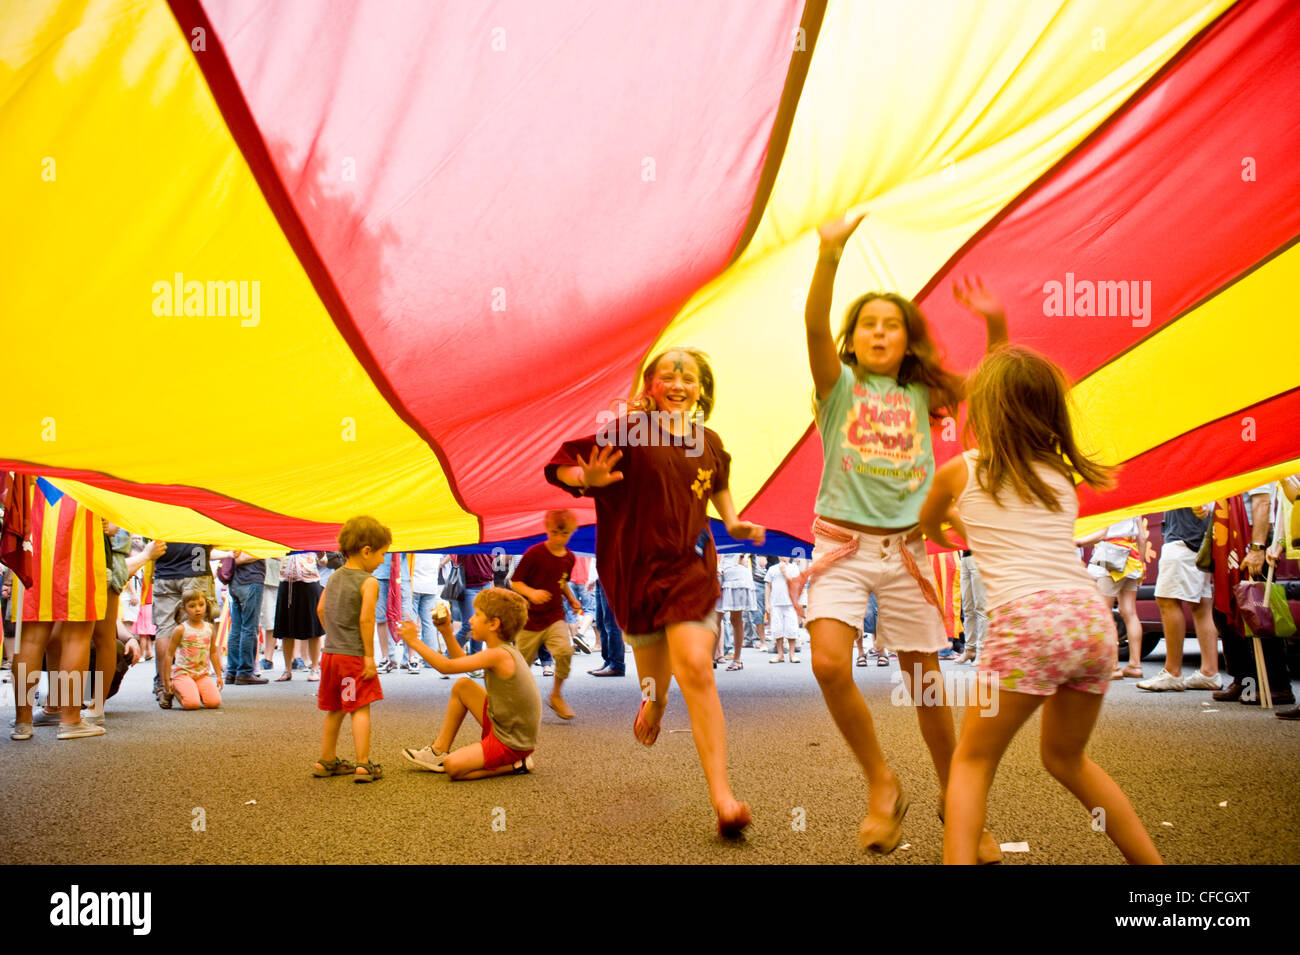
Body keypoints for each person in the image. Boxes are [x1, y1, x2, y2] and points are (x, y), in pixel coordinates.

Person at [800, 212, 1007, 856]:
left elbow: (991, 382)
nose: (880, 331)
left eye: (892, 324)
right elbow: (812, 325)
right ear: (853, 342)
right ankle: (881, 782)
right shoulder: (838, 388)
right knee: (830, 662)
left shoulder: (923, 394)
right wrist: (830, 254)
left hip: (906, 552)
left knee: (925, 685)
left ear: (908, 340)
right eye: (869, 324)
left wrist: (995, 325)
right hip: (841, 547)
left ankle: (957, 804)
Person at [920, 346, 1162, 865]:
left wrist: (953, 527)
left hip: (1027, 624)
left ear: (984, 411)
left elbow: (926, 525)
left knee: (971, 761)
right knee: (1067, 757)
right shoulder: (1058, 474)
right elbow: (1015, 527)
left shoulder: (958, 472)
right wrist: (970, 530)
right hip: (1089, 621)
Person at [545, 346, 765, 836]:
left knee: (694, 667)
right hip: (636, 572)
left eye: (690, 378)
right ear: (651, 384)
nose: (679, 384)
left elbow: (720, 480)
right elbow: (562, 464)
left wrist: (733, 521)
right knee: (655, 680)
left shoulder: (707, 441)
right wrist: (588, 479)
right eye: (668, 375)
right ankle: (656, 703)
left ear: (702, 389)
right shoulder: (629, 432)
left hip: (690, 566)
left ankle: (723, 799)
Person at [399, 588, 540, 778]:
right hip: (504, 724)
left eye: (477, 615)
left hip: (512, 742)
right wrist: (447, 632)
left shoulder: (498, 655)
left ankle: (517, 764)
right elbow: (460, 663)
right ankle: (438, 751)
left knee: (453, 767)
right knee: (463, 685)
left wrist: (413, 641)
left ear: (494, 624)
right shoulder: (500, 651)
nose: (471, 620)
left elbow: (447, 666)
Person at [313, 515, 391, 782]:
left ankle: (326, 761)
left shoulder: (333, 576)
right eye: (382, 554)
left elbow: (321, 609)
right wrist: (369, 657)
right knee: (359, 707)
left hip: (330, 656)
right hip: (354, 658)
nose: (382, 561)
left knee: (335, 708)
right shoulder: (369, 582)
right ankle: (362, 764)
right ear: (366, 551)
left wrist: (333, 635)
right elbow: (366, 619)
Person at [1136, 506, 1221, 692]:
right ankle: (1209, 672)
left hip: (1184, 537)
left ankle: (1172, 672)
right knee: (1201, 605)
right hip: (1199, 537)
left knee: (1167, 599)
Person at [511, 510, 581, 719]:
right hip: (529, 619)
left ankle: (556, 695)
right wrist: (532, 593)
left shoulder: (569, 558)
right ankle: (515, 701)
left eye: (565, 534)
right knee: (521, 665)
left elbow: (561, 581)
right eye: (554, 533)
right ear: (547, 528)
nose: (559, 538)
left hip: (554, 616)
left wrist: (570, 597)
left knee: (565, 651)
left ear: (572, 532)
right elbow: (515, 582)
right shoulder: (534, 553)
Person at [1076, 517, 1148, 679]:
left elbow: (1102, 534)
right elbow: (1142, 538)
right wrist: (1141, 568)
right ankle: (1135, 665)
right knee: (1129, 612)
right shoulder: (1136, 506)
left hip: (1111, 556)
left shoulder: (1114, 503)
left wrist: (1079, 542)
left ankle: (1113, 666)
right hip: (1132, 557)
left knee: (1105, 613)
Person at [150, 541, 215, 708]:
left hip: (165, 570)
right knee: (199, 625)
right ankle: (197, 680)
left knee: (164, 630)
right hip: (196, 565)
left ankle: (164, 685)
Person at [160, 588, 222, 711]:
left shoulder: (209, 628)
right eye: (192, 606)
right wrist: (167, 680)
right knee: (192, 704)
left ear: (206, 605)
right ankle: (174, 692)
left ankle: (195, 690)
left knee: (214, 702)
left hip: (202, 674)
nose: (198, 609)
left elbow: (213, 652)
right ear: (184, 608)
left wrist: (219, 675)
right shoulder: (181, 629)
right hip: (183, 673)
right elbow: (169, 655)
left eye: (201, 605)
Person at [274, 552, 324, 682]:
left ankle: (314, 668)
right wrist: (283, 558)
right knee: (286, 628)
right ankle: (287, 669)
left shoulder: (313, 537)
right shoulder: (285, 536)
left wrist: (320, 556)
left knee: (313, 627)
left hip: (310, 581)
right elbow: (272, 552)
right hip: (287, 582)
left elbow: (323, 561)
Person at [765, 557, 802, 663]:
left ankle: (792, 654)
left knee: (791, 629)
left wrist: (784, 572)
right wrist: (767, 603)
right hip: (776, 603)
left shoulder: (794, 568)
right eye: (781, 555)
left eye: (785, 555)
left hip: (790, 603)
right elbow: (768, 586)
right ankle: (780, 655)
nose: (783, 557)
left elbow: (795, 584)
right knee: (777, 629)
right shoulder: (772, 569)